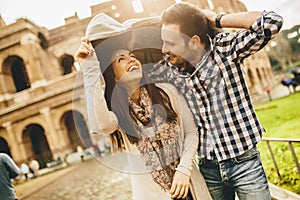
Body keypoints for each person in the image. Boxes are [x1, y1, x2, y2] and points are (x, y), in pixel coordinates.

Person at [146, 2, 283, 200]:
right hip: (208, 169)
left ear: (193, 41)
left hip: (245, 164)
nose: (164, 49)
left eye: (171, 43)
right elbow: (129, 77)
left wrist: (215, 19)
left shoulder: (225, 49)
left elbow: (272, 22)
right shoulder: (170, 68)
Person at [75, 20, 211, 199]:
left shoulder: (166, 93)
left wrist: (184, 170)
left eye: (131, 55)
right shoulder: (119, 113)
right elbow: (100, 126)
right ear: (113, 77)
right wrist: (90, 67)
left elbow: (192, 132)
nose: (130, 59)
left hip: (190, 187)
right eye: (120, 59)